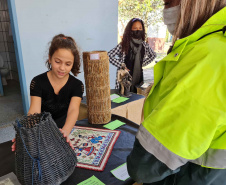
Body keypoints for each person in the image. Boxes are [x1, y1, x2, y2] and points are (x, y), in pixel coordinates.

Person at [127, 0, 226, 184]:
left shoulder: (207, 57)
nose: (166, 12)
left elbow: (145, 166)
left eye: (168, 2)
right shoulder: (211, 44)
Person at [12, 34, 84, 151]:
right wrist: (25, 133)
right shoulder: (37, 82)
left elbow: (73, 110)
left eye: (68, 64)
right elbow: (34, 111)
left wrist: (65, 132)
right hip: (41, 130)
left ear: (73, 63)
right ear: (50, 58)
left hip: (64, 127)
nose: (62, 68)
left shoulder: (77, 85)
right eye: (57, 61)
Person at [108, 18, 156, 93]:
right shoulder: (124, 44)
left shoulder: (144, 45)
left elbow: (153, 55)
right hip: (125, 78)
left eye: (140, 28)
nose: (138, 30)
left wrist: (142, 63)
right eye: (135, 28)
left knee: (137, 98)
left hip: (139, 78)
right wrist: (121, 65)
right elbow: (109, 56)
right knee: (124, 99)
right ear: (130, 30)